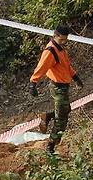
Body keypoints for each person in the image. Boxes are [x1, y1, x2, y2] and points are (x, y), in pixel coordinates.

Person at [30, 25, 83, 154]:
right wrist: (33, 83)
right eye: (62, 40)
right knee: (61, 120)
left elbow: (66, 67)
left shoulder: (61, 50)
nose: (64, 42)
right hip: (57, 87)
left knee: (66, 109)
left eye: (66, 40)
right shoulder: (50, 51)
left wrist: (75, 77)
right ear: (55, 35)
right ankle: (50, 147)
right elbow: (41, 67)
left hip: (64, 87)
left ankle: (47, 116)